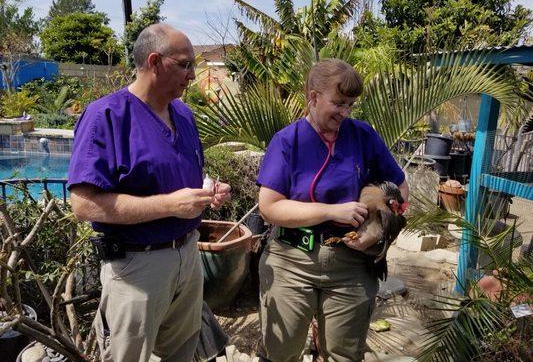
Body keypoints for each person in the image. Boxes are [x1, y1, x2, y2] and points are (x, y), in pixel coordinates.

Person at [67, 23, 231, 362]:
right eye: (185, 64)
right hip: (137, 266)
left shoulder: (183, 115)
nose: (192, 74)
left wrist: (209, 191)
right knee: (129, 356)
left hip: (188, 256)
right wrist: (169, 205)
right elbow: (83, 204)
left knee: (183, 351)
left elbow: (181, 173)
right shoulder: (106, 117)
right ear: (155, 62)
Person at [256, 58, 409, 362]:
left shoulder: (363, 136)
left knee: (344, 353)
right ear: (313, 97)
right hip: (291, 261)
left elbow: (400, 188)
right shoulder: (287, 141)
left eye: (351, 105)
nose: (345, 112)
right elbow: (269, 208)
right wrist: (331, 212)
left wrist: (378, 230)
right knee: (280, 353)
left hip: (351, 264)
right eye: (338, 103)